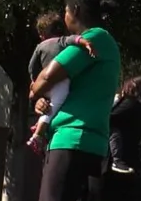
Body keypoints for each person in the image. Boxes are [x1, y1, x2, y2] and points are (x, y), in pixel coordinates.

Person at [30, 0, 121, 201]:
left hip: (75, 136)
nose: (63, 15)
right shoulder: (100, 41)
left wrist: (37, 90)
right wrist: (42, 96)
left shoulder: (95, 38)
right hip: (71, 136)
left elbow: (46, 76)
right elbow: (52, 88)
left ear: (74, 11)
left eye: (65, 10)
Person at [26, 11, 96, 154]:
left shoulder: (40, 47)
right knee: (55, 103)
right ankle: (38, 133)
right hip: (59, 84)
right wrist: (85, 42)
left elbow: (32, 67)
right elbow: (75, 39)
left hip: (44, 86)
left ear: (42, 34)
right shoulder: (62, 41)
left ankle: (40, 126)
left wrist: (34, 82)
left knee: (49, 105)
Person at [108, 76, 141, 175]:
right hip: (132, 153)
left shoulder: (130, 103)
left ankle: (116, 160)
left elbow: (109, 117)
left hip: (121, 155)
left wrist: (117, 101)